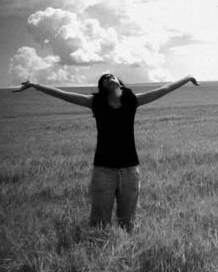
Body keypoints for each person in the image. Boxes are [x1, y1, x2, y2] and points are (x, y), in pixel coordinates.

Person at [13, 74, 199, 231]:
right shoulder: (96, 103)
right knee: (99, 223)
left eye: (112, 76)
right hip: (103, 171)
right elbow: (64, 95)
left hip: (129, 170)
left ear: (119, 83)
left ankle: (124, 253)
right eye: (105, 78)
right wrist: (35, 85)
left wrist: (187, 78)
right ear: (102, 87)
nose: (109, 78)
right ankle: (99, 251)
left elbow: (164, 90)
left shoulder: (132, 101)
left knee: (128, 223)